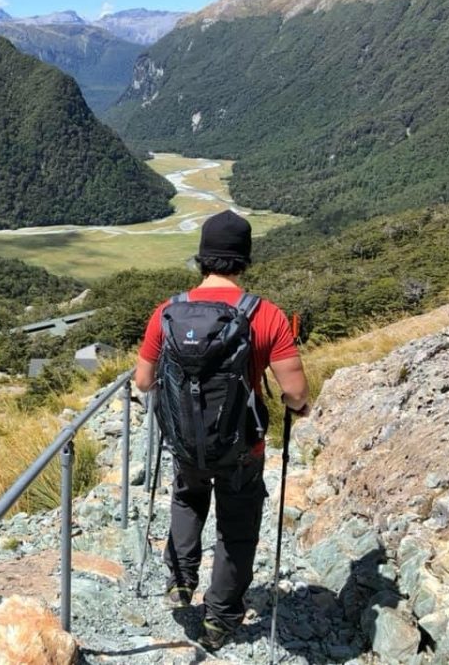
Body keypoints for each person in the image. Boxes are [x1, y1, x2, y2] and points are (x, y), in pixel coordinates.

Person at [134, 209, 310, 651]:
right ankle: (220, 618)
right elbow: (295, 391)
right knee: (236, 526)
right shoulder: (266, 316)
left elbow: (143, 380)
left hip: (186, 442)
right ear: (244, 259)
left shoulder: (168, 312)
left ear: (202, 258)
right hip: (242, 447)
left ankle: (179, 579)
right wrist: (300, 408)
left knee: (188, 499)